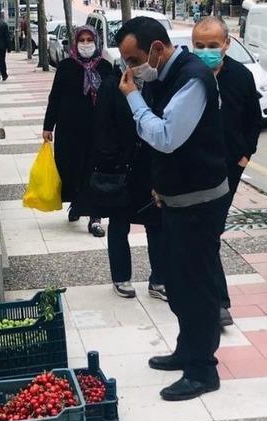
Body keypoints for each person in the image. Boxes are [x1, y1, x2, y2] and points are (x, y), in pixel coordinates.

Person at [116, 17, 229, 401]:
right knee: (179, 284)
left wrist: (132, 98)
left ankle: (203, 370)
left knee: (197, 286)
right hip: (177, 201)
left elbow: (166, 137)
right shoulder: (165, 75)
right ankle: (187, 350)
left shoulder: (193, 78)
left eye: (133, 59)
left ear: (157, 49)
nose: (130, 69)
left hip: (200, 203)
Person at [193, 17, 261, 327]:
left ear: (226, 44)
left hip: (229, 168)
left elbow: (253, 119)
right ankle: (205, 294)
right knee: (202, 233)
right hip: (194, 166)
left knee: (209, 232)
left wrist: (245, 156)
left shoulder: (241, 76)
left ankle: (219, 302)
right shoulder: (188, 76)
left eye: (212, 46)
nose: (206, 52)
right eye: (199, 46)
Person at [94, 60, 168, 301]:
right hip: (122, 169)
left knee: (156, 224)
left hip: (151, 168)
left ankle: (159, 279)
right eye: (132, 59)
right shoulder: (111, 86)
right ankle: (121, 277)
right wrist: (113, 163)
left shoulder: (158, 82)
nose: (138, 64)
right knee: (119, 223)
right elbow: (102, 127)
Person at [43, 26, 114, 237]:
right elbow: (55, 97)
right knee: (73, 169)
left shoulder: (106, 67)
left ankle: (95, 217)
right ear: (75, 43)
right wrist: (48, 126)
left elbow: (114, 99)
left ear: (96, 41)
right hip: (70, 131)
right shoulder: (66, 67)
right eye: (81, 40)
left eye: (89, 39)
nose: (85, 44)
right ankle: (76, 204)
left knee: (95, 172)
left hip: (98, 131)